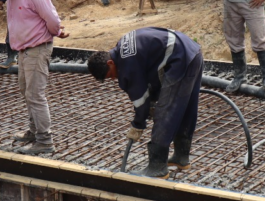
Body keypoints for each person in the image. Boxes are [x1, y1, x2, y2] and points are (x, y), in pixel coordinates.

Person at [87, 27, 203, 179]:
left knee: (165, 112)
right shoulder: (123, 47)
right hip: (193, 52)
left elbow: (140, 101)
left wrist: (138, 124)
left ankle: (157, 167)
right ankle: (181, 157)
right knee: (185, 108)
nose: (114, 79)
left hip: (180, 59)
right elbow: (151, 72)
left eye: (110, 75)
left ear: (110, 62)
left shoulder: (127, 64)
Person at [0, 0, 68, 155]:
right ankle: (34, 131)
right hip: (24, 49)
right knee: (26, 91)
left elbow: (53, 20)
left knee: (35, 95)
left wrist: (56, 33)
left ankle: (45, 141)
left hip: (38, 48)